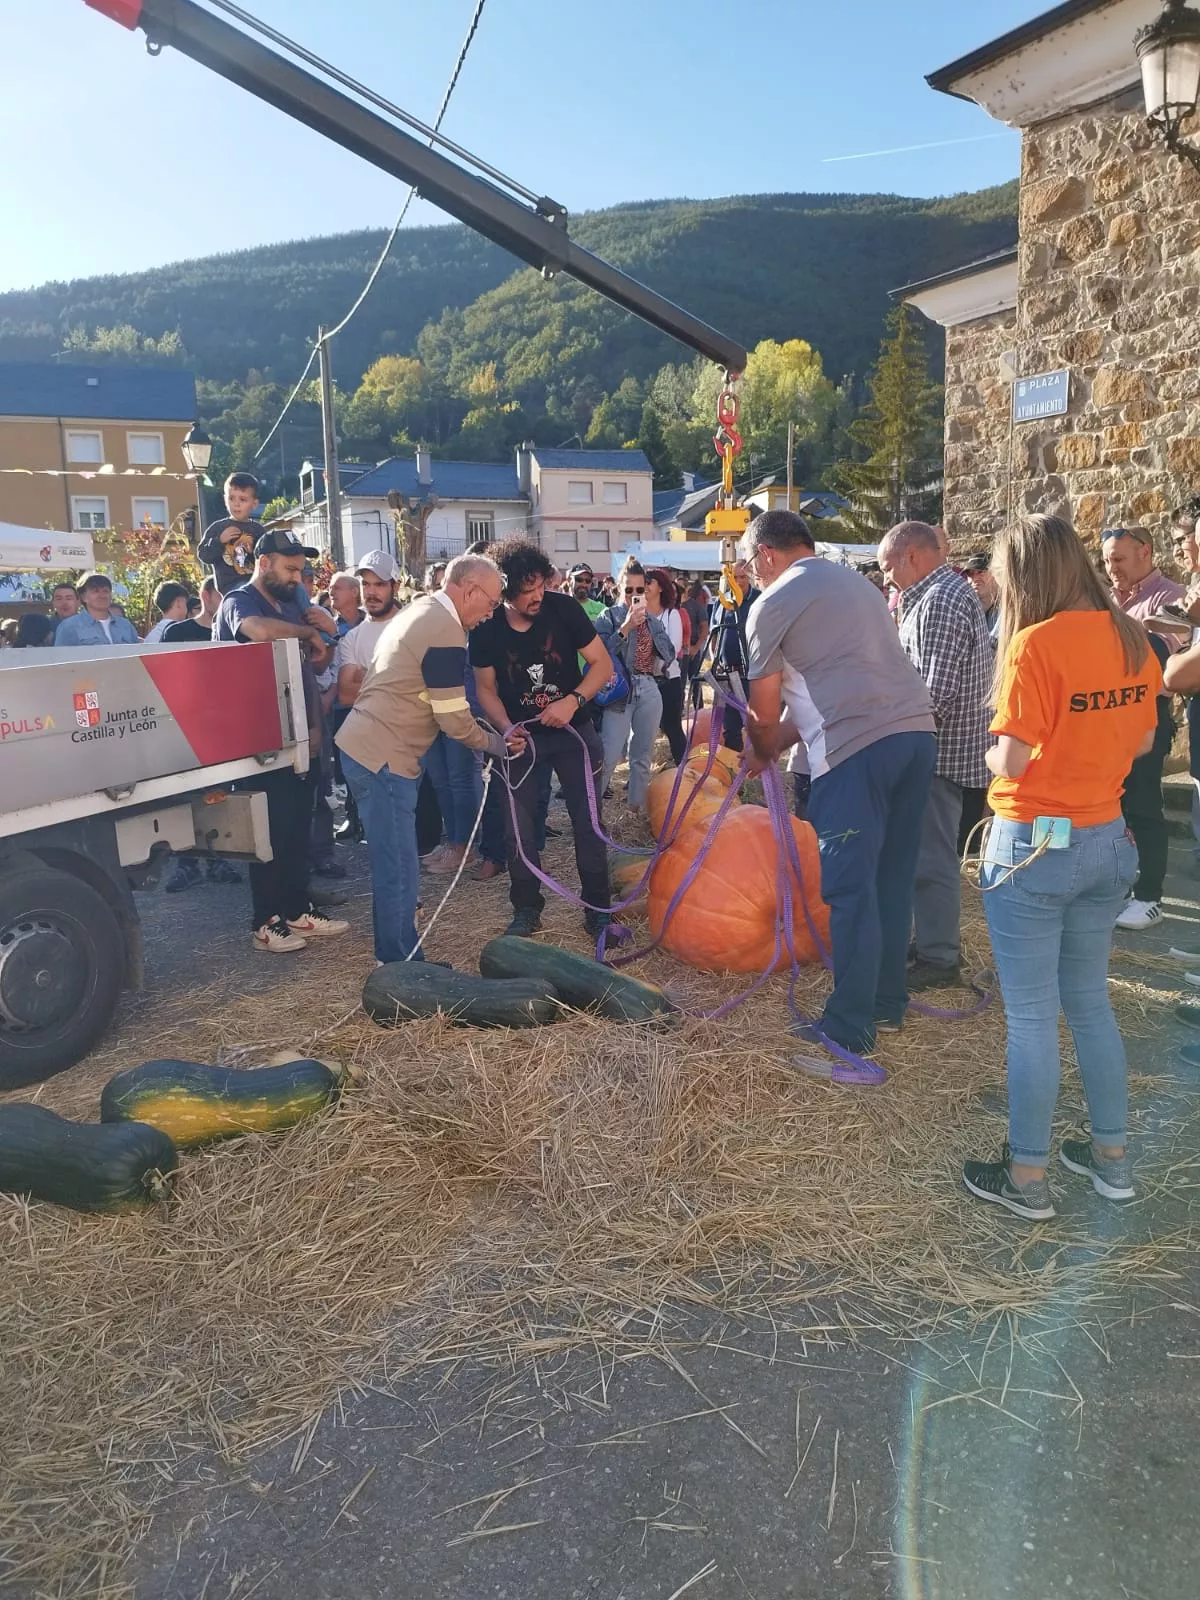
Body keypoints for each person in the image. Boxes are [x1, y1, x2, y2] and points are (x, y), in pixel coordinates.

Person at [961, 515, 1160, 1220]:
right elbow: (1141, 742)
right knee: (1090, 1004)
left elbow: (1011, 759)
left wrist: (991, 756)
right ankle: (1111, 1160)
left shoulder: (1033, 644)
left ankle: (1028, 1176)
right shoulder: (1132, 635)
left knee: (1033, 1017)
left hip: (1036, 841)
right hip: (1107, 836)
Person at [741, 511, 936, 1065]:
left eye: (750, 562)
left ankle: (849, 1029)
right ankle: (885, 1003)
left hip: (856, 752)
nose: (751, 573)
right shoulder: (858, 585)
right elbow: (816, 699)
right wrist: (772, 744)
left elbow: (764, 708)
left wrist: (757, 750)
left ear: (768, 554)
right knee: (891, 881)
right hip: (915, 736)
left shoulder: (772, 601)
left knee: (850, 892)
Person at [337, 554, 516, 964]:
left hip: (372, 749)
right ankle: (399, 964)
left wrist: (480, 730)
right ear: (469, 590)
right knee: (398, 867)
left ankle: (398, 954)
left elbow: (439, 701)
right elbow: (452, 718)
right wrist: (494, 745)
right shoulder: (445, 629)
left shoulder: (424, 609)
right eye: (490, 603)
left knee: (397, 864)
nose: (490, 614)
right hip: (383, 756)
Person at [470, 538, 615, 937]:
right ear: (505, 591)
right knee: (518, 828)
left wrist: (573, 700)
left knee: (588, 823)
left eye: (540, 586)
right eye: (526, 591)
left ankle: (598, 908)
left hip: (574, 733)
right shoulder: (487, 629)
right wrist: (506, 727)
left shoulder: (565, 609)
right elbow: (485, 688)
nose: (537, 597)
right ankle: (527, 907)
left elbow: (602, 665)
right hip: (521, 741)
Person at [213, 530, 349, 953]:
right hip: (259, 740)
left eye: (300, 570)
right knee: (268, 832)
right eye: (289, 569)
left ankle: (296, 909)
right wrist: (307, 634)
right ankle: (265, 921)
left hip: (300, 736)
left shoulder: (294, 603)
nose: (297, 577)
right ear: (264, 561)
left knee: (295, 828)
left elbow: (319, 657)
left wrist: (326, 635)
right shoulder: (240, 600)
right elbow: (254, 630)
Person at [878, 521, 992, 990]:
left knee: (930, 859)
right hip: (935, 749)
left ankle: (939, 956)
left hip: (937, 755)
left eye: (888, 567)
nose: (886, 578)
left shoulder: (939, 600)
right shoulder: (936, 594)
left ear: (912, 556)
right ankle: (928, 943)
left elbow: (935, 695)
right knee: (922, 855)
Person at [1098, 526, 1185, 931]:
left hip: (1149, 713)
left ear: (1145, 553)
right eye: (1106, 561)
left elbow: (1162, 655)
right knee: (1113, 806)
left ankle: (1150, 896)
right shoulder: (1108, 598)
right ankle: (1121, 887)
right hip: (1108, 715)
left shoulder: (1172, 597)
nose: (1111, 568)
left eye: (1118, 559)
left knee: (1144, 805)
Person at [594, 559, 675, 812]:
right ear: (618, 589)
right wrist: (627, 627)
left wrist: (649, 627)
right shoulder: (608, 616)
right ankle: (590, 813)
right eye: (628, 590)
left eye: (640, 590)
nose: (634, 595)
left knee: (643, 756)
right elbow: (601, 653)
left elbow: (670, 653)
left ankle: (635, 810)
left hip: (649, 687)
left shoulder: (652, 620)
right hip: (619, 690)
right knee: (609, 755)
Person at [709, 562, 760, 749]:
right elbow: (714, 634)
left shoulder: (759, 600)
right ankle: (735, 768)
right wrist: (715, 659)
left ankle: (759, 766)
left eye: (742, 577)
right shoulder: (722, 602)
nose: (738, 582)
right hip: (728, 674)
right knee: (731, 726)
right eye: (734, 577)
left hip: (754, 674)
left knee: (756, 723)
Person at [197, 472, 266, 595]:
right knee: (246, 591)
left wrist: (252, 551)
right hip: (230, 585)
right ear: (225, 499)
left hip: (256, 582)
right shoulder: (218, 528)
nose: (236, 503)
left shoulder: (258, 530)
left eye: (243, 499)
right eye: (231, 498)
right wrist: (220, 541)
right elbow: (203, 555)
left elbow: (267, 558)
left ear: (254, 504)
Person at [645, 568, 687, 764]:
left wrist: (646, 651)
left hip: (668, 679)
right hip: (643, 680)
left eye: (649, 581)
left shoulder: (672, 615)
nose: (644, 584)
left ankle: (684, 770)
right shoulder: (637, 613)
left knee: (672, 727)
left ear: (660, 587)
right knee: (643, 730)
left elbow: (674, 647)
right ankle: (638, 773)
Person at [54, 573, 140, 646]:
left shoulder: (125, 625)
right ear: (83, 597)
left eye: (105, 591)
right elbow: (60, 661)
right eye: (95, 591)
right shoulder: (69, 626)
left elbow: (138, 657)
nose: (102, 595)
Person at [160, 577, 221, 643]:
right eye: (221, 596)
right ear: (205, 596)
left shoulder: (230, 633)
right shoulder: (176, 633)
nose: (226, 601)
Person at [681, 578, 711, 711]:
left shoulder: (695, 606)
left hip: (693, 647)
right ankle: (678, 710)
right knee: (678, 683)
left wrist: (696, 647)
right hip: (677, 650)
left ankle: (699, 710)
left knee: (695, 681)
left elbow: (705, 627)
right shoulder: (671, 606)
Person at [961, 552, 1000, 640]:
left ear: (996, 575)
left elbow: (993, 645)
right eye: (970, 574)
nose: (975, 578)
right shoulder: (965, 609)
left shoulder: (1006, 608)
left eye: (981, 572)